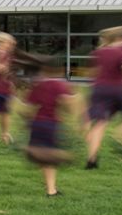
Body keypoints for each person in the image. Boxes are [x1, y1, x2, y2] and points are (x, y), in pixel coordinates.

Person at [17, 51, 77, 196]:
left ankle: (51, 189)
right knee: (52, 158)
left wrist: (26, 122)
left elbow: (28, 108)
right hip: (52, 125)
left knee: (45, 158)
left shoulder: (37, 86)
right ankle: (51, 189)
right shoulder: (60, 85)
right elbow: (67, 104)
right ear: (58, 70)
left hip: (37, 125)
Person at [83, 25, 122, 169]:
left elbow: (91, 73)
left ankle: (91, 160)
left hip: (99, 90)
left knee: (99, 123)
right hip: (118, 89)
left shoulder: (98, 52)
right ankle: (118, 136)